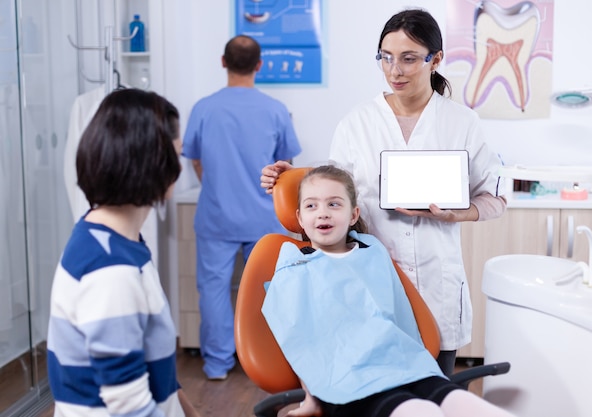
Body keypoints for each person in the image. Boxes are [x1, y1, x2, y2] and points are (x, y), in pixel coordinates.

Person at [260, 8, 506, 376]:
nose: (395, 70)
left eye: (408, 59)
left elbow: (495, 200)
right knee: (377, 396)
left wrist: (457, 213)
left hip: (437, 283)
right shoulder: (357, 123)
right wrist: (292, 175)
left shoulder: (462, 123)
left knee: (435, 396)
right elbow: (336, 189)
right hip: (369, 283)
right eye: (386, 58)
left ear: (435, 60)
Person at [261, 165, 514, 417]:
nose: (323, 213)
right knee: (420, 410)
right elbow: (303, 341)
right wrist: (312, 395)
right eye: (311, 206)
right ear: (300, 218)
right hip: (346, 380)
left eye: (334, 204)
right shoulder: (295, 267)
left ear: (353, 214)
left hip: (403, 364)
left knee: (463, 403)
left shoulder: (372, 252)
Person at [47, 89, 199, 417]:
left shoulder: (109, 237)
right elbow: (129, 407)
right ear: (153, 163)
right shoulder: (110, 270)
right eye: (178, 154)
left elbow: (154, 370)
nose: (182, 166)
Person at [182, 34, 302, 380]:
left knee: (214, 290)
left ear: (223, 62)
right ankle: (263, 363)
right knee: (266, 291)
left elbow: (197, 161)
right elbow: (285, 166)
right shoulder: (275, 110)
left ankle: (218, 364)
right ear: (259, 66)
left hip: (216, 216)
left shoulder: (203, 108)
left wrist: (220, 188)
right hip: (263, 219)